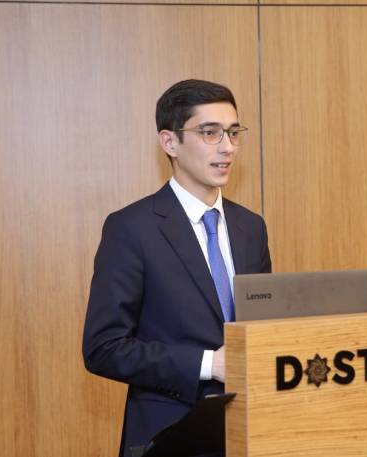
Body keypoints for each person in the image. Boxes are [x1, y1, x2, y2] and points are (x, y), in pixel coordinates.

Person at [82, 79, 272, 456]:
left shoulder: (251, 227)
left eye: (233, 133)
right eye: (210, 133)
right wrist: (209, 364)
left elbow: (263, 325)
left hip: (251, 432)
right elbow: (104, 348)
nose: (227, 147)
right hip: (169, 437)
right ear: (170, 142)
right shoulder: (131, 228)